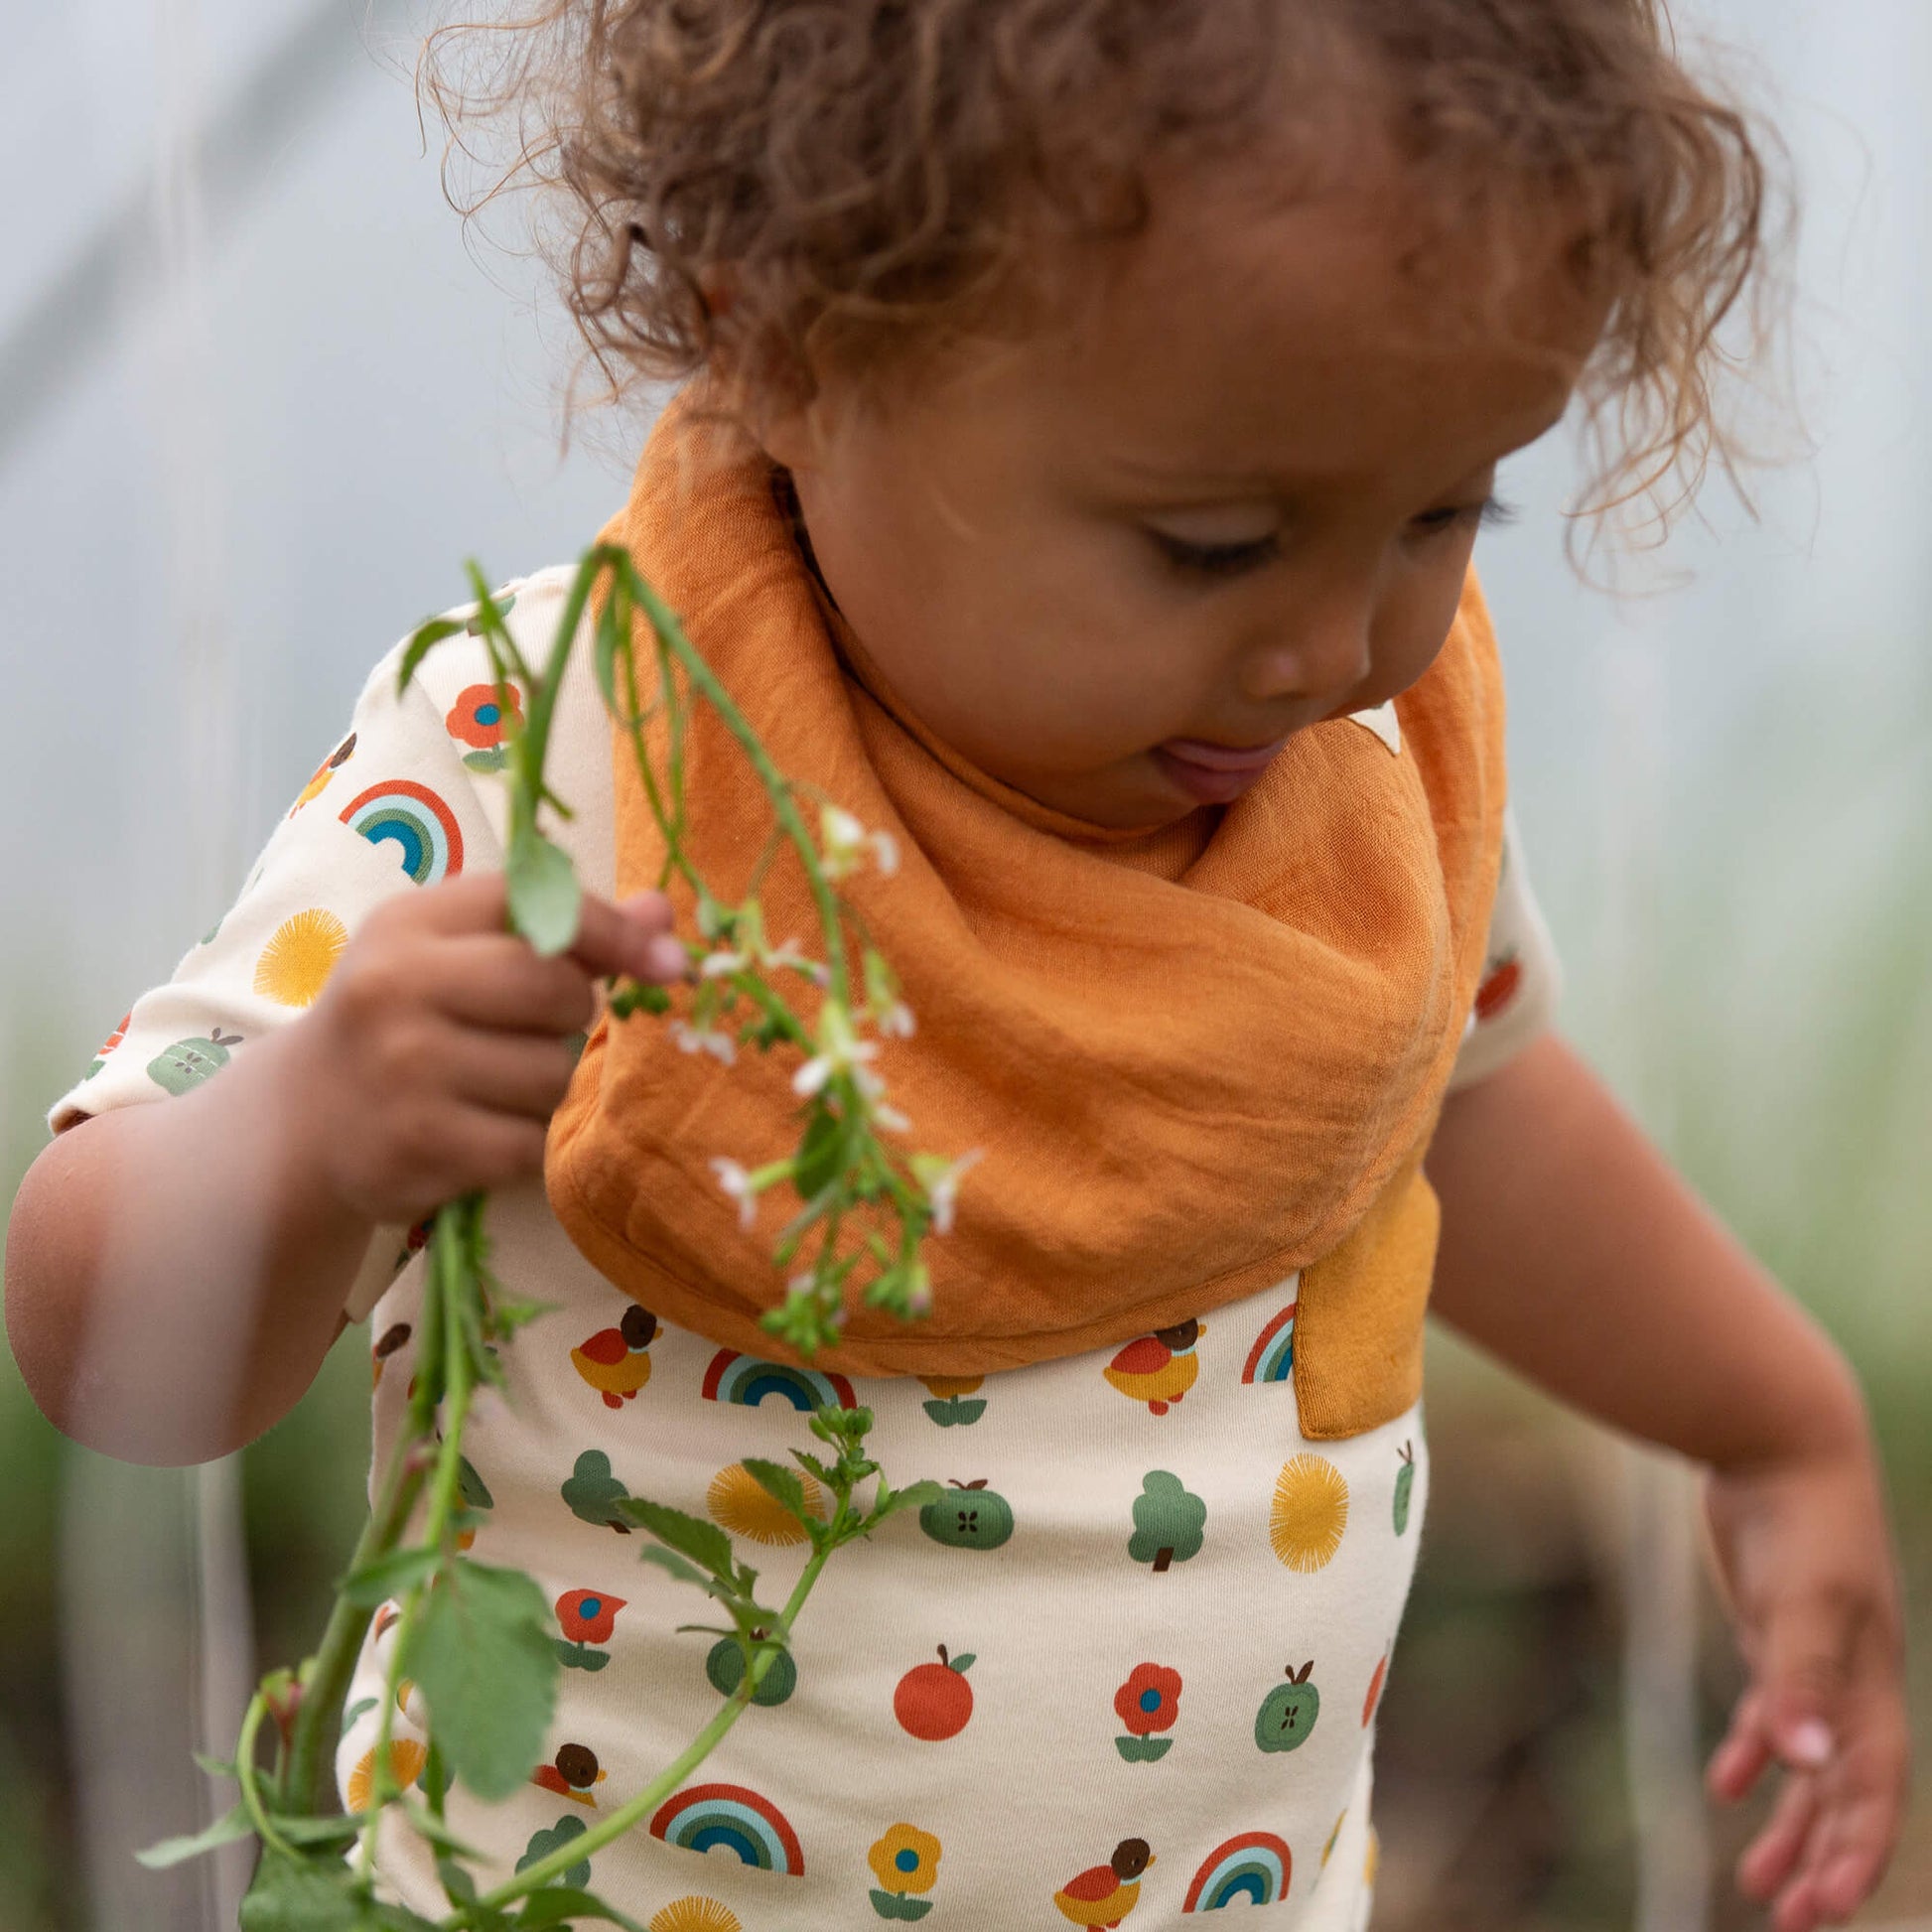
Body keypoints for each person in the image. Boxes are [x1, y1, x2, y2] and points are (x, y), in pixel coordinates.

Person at [4, 4, 1907, 1928]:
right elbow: (114, 1362)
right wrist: (308, 1130)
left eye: (1445, 510)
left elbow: (1467, 1111)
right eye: (1211, 542)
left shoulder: (1346, 777)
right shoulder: (568, 749)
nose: (1335, 642)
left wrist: (1768, 1422)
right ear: (793, 344)